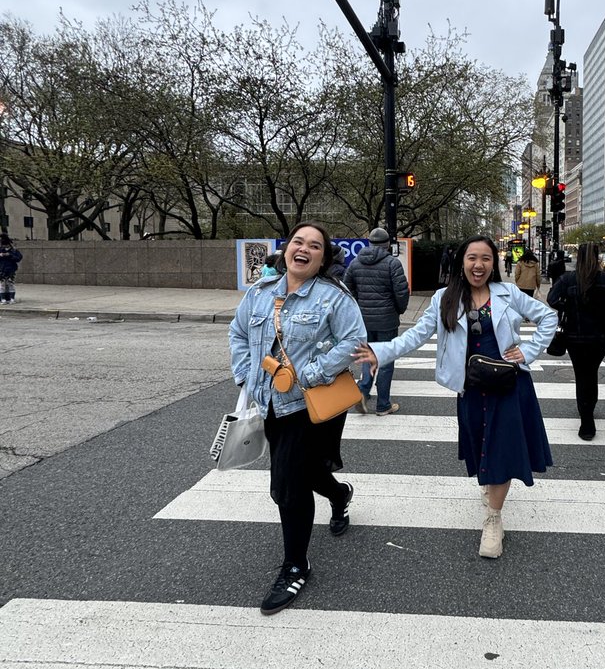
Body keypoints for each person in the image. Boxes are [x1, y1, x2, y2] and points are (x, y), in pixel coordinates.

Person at [354, 235, 556, 559]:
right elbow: (415, 336)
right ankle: (489, 490)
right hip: (471, 386)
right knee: (480, 445)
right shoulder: (444, 299)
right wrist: (380, 352)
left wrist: (529, 351)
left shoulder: (508, 294)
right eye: (472, 258)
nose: (479, 265)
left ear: (494, 263)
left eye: (486, 258)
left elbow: (548, 317)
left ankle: (493, 519)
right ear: (462, 262)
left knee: (502, 449)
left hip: (509, 384)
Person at [229, 222, 366, 615]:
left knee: (286, 487)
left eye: (315, 246)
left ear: (323, 258)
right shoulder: (259, 294)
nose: (304, 249)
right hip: (268, 403)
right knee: (305, 473)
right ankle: (339, 494)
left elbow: (354, 342)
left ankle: (296, 564)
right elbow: (238, 333)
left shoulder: (333, 298)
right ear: (287, 248)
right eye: (298, 242)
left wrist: (310, 373)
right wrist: (244, 373)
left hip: (310, 406)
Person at [547, 241, 605, 440]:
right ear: (598, 257)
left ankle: (586, 418)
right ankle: (588, 412)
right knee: (591, 373)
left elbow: (552, 298)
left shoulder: (569, 279)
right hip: (599, 336)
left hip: (574, 334)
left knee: (581, 374)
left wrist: (565, 306)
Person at [344, 227, 410, 416]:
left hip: (364, 320)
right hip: (387, 320)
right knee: (386, 361)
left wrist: (358, 308)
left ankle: (363, 392)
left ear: (370, 243)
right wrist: (399, 310)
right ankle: (383, 404)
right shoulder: (392, 263)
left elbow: (347, 290)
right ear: (387, 244)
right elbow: (401, 292)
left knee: (367, 356)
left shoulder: (355, 263)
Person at [0, 235, 23, 305]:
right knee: (2, 285)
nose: (4, 247)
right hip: (2, 270)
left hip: (11, 270)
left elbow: (19, 258)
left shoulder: (14, 250)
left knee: (11, 284)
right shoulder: (1, 250)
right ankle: (3, 299)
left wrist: (9, 255)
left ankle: (11, 299)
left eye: (5, 245)